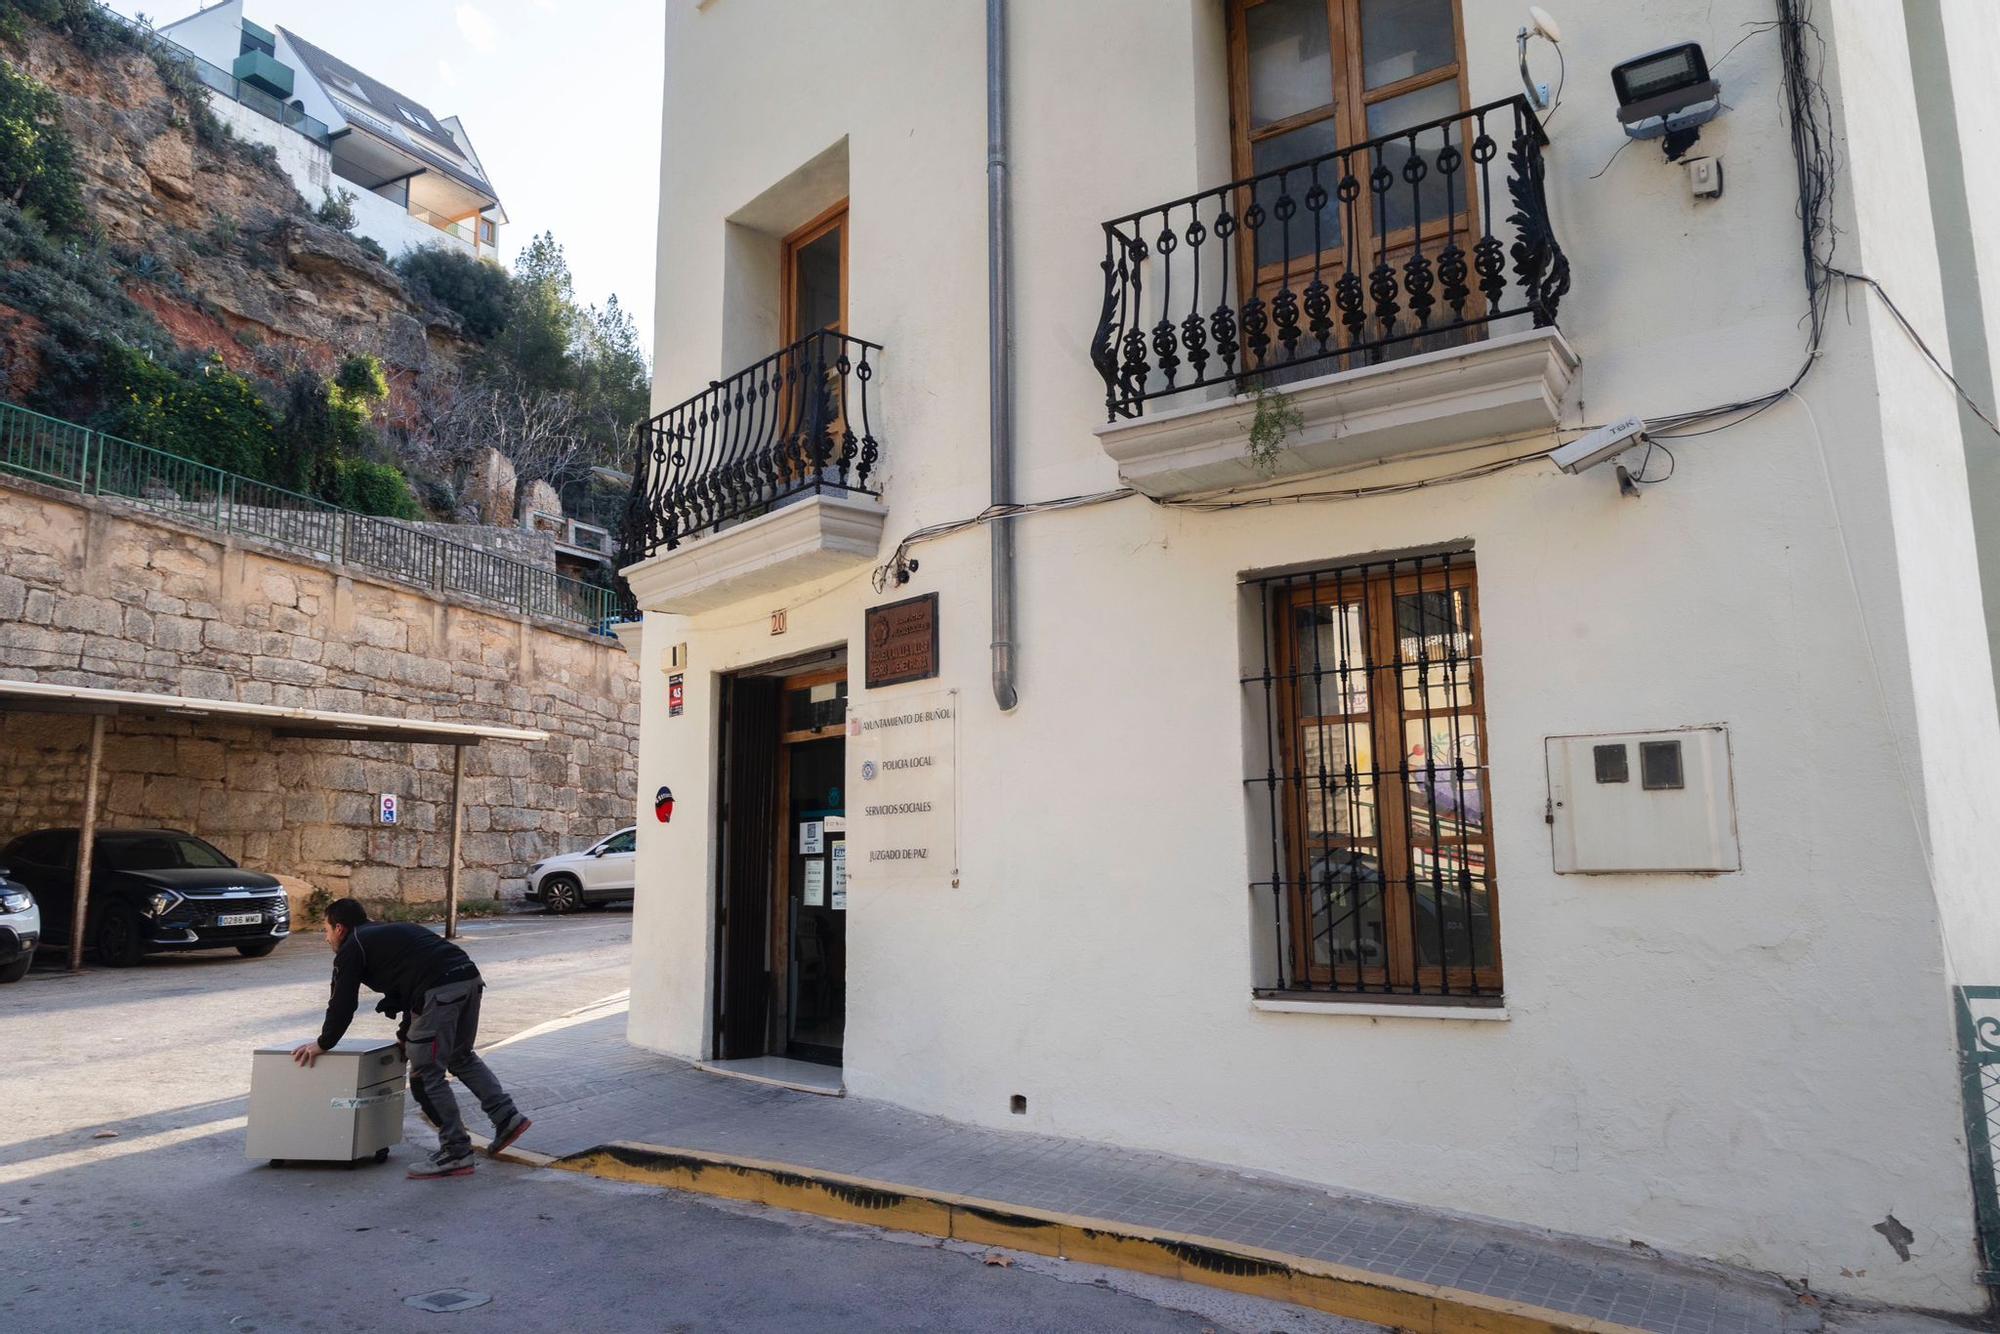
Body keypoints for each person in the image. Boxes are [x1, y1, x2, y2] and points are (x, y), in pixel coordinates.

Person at [292, 898, 531, 1179]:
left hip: (439, 991)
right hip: (468, 979)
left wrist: (323, 1043)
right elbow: (413, 984)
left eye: (326, 930)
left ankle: (456, 1151)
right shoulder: (386, 933)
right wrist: (407, 1037)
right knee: (460, 1056)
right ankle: (506, 1117)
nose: (326, 938)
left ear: (340, 928)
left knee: (424, 1075)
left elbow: (342, 1002)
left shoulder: (351, 947)